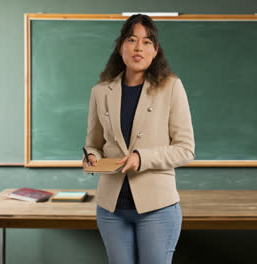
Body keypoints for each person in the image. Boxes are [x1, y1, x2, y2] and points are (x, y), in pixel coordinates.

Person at [83, 14, 195, 264]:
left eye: (146, 42)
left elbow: (185, 149)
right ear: (120, 46)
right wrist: (92, 156)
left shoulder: (171, 87)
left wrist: (140, 158)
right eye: (131, 40)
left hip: (158, 208)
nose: (138, 47)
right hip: (111, 209)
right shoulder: (100, 91)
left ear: (155, 51)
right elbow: (94, 143)